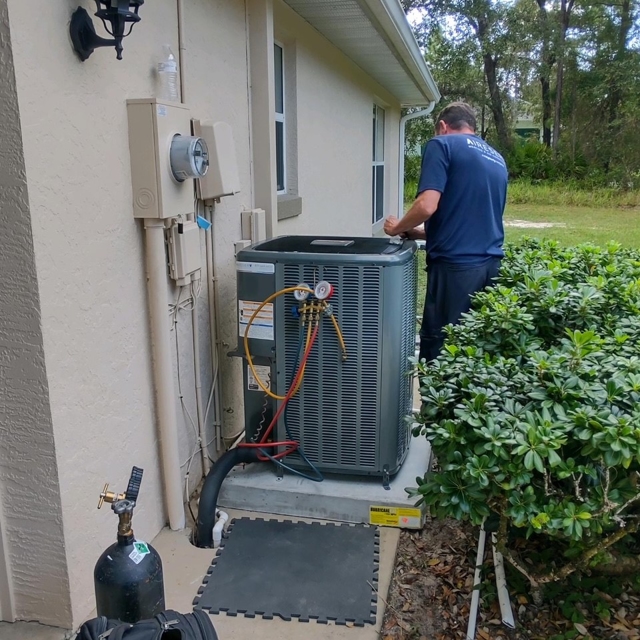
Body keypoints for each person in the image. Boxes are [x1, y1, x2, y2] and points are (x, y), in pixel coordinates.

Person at [384, 102, 508, 362]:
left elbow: (427, 205)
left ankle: (435, 404)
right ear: (471, 126)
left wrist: (397, 227)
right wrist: (420, 234)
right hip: (491, 268)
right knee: (473, 347)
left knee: (441, 347)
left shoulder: (442, 145)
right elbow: (474, 219)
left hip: (456, 271)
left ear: (442, 126)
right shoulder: (496, 158)